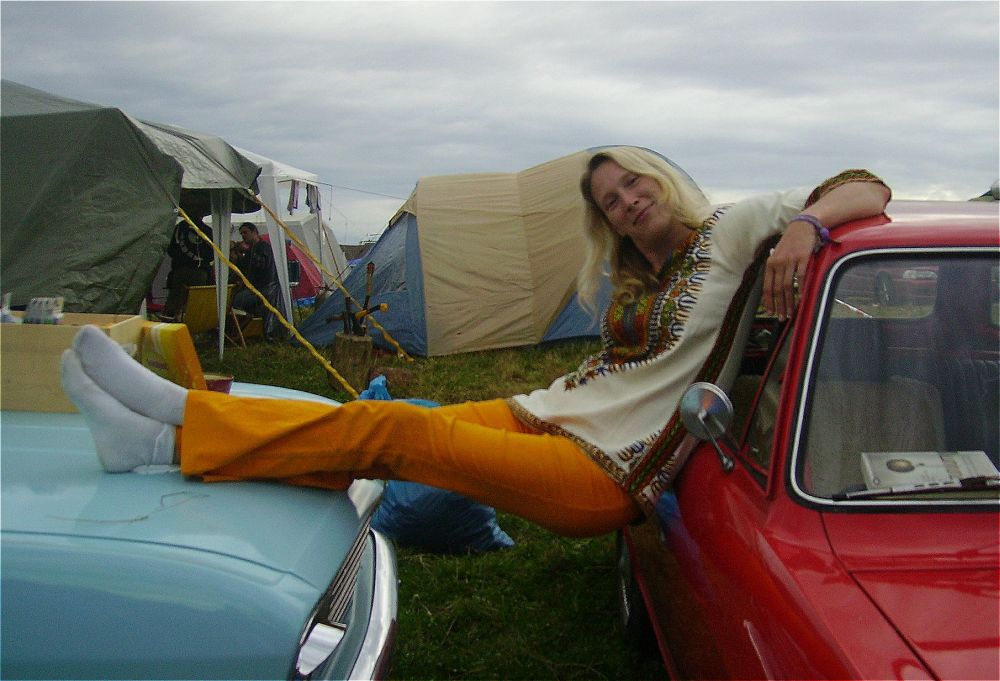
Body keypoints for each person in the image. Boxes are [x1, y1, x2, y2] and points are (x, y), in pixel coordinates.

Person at [61, 147, 890, 538]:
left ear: (660, 178)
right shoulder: (633, 273)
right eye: (610, 201)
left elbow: (866, 183)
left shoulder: (734, 231)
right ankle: (172, 430)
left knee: (397, 429)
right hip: (551, 414)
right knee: (374, 424)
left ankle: (178, 433)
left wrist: (807, 226)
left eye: (633, 182)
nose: (628, 201)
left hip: (606, 469)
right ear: (605, 221)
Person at [230, 222, 285, 339]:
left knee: (236, 301)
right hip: (256, 288)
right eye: (241, 234)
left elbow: (262, 263)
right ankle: (244, 329)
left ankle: (241, 330)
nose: (243, 236)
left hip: (264, 289)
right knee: (234, 297)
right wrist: (237, 255)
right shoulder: (251, 250)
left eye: (245, 232)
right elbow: (243, 267)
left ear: (254, 232)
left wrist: (246, 251)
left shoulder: (263, 247)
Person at [161, 211, 213, 319]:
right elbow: (213, 253)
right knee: (196, 303)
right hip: (200, 272)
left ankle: (169, 321)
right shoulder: (207, 230)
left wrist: (181, 258)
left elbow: (170, 249)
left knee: (174, 301)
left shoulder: (178, 228)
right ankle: (195, 323)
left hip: (180, 270)